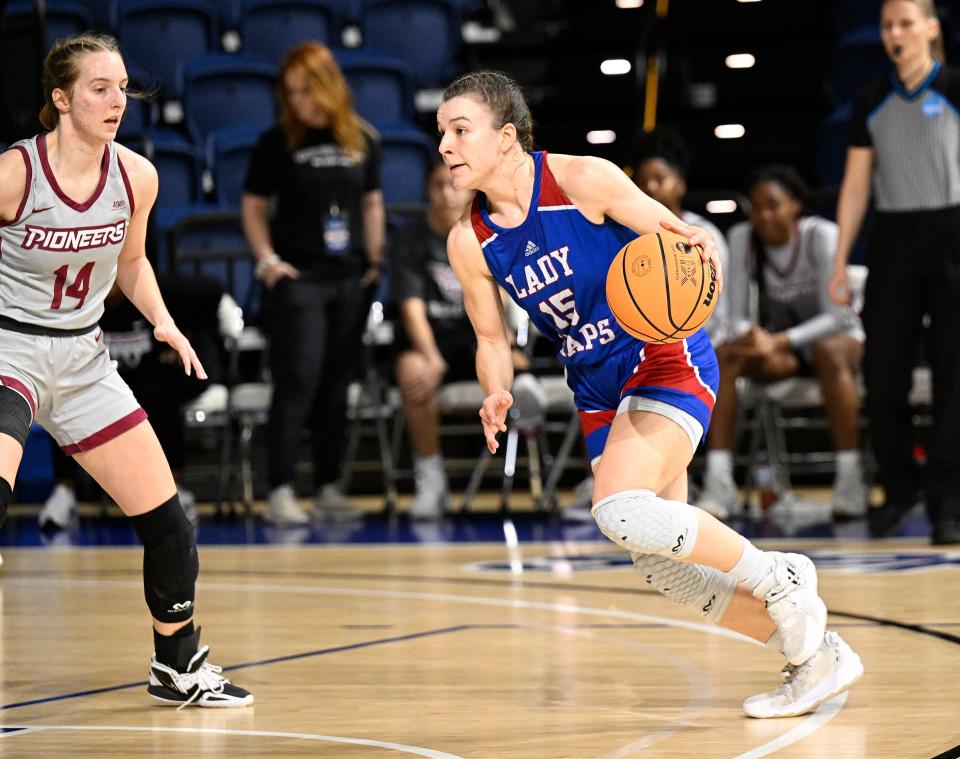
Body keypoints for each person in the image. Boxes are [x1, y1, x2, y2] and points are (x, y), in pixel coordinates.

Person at [439, 70, 862, 718]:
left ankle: (781, 576)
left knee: (617, 507)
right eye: (441, 132)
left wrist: (693, 270)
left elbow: (682, 239)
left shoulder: (582, 180)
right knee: (666, 565)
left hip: (661, 356)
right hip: (598, 385)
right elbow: (491, 339)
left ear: (505, 137)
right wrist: (495, 390)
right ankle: (816, 657)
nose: (445, 145)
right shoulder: (470, 240)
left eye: (460, 130)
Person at [0, 33, 252, 707]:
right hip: (11, 348)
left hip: (83, 356)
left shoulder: (136, 175)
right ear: (60, 99)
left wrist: (165, 319)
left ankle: (176, 665)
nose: (118, 101)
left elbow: (133, 263)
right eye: (99, 88)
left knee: (168, 519)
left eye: (123, 87)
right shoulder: (15, 175)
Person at [829, 0, 960, 545]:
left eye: (906, 22)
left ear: (931, 28)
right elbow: (857, 185)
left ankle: (947, 501)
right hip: (895, 241)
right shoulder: (871, 100)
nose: (895, 32)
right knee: (883, 374)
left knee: (954, 376)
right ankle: (899, 488)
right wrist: (840, 258)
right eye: (888, 25)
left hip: (954, 232)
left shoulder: (954, 85)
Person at [241, 42, 384, 526]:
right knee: (297, 380)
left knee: (336, 385)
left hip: (349, 278)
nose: (299, 101)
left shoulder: (362, 139)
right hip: (299, 279)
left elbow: (371, 202)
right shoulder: (277, 142)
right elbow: (254, 206)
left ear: (328, 87)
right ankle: (280, 489)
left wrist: (375, 259)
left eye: (306, 91)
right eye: (291, 93)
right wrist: (268, 262)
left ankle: (327, 487)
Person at [696, 166, 866, 521]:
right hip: (783, 348)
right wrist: (751, 336)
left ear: (795, 206)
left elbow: (837, 316)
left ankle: (851, 482)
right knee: (725, 355)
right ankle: (719, 482)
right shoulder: (744, 237)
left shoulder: (822, 235)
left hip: (840, 341)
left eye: (773, 206)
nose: (764, 216)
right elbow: (735, 313)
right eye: (756, 208)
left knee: (828, 350)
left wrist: (778, 340)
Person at [391, 158, 545, 519]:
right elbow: (412, 309)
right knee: (413, 372)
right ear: (427, 191)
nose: (446, 194)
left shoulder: (484, 232)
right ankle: (431, 480)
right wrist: (432, 358)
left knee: (504, 359)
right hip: (430, 341)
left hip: (475, 337)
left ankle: (523, 393)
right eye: (437, 186)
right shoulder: (411, 240)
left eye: (453, 185)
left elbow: (501, 297)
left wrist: (508, 344)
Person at [39, 273, 240, 529]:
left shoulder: (153, 290)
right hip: (101, 384)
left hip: (152, 381)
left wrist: (190, 334)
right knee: (62, 398)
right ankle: (64, 492)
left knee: (159, 393)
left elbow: (213, 290)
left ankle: (175, 487)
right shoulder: (80, 301)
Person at [631, 126, 733, 348]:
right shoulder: (628, 234)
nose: (649, 187)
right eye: (643, 180)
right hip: (645, 342)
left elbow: (720, 307)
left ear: (680, 184)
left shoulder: (704, 232)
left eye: (660, 179)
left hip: (702, 340)